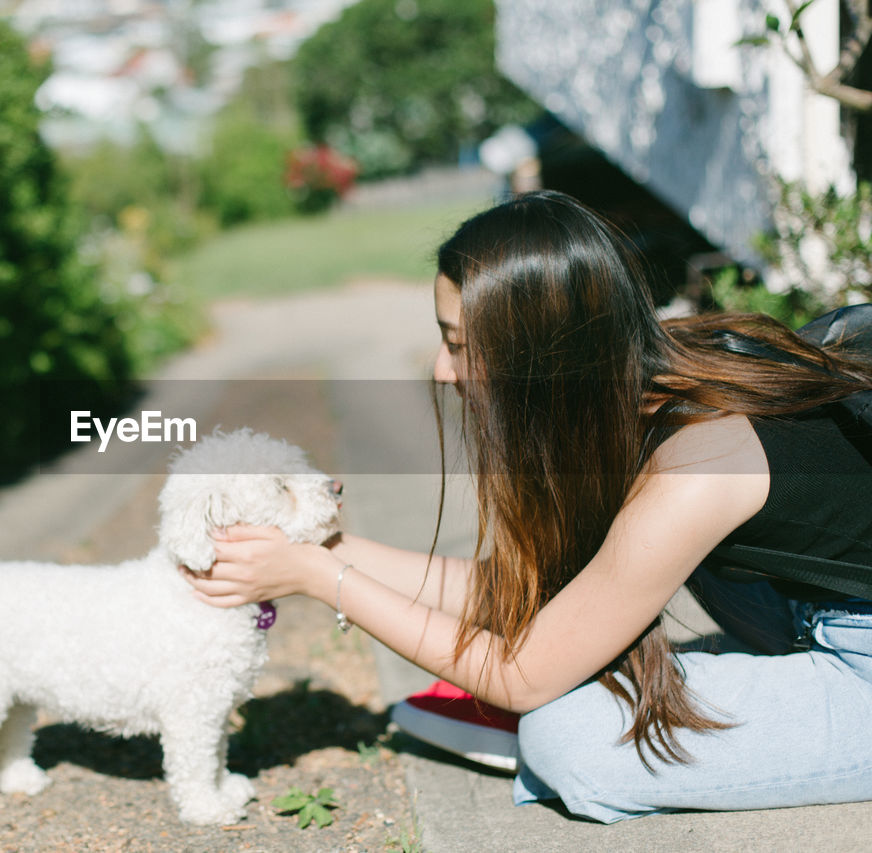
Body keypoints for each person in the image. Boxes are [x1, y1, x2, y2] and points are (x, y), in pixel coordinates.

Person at [182, 190, 872, 823]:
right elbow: (529, 586)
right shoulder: (645, 374)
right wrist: (325, 551)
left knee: (567, 736)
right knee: (565, 641)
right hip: (806, 607)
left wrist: (317, 578)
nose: (441, 370)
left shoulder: (696, 462)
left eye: (458, 345)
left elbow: (522, 675)